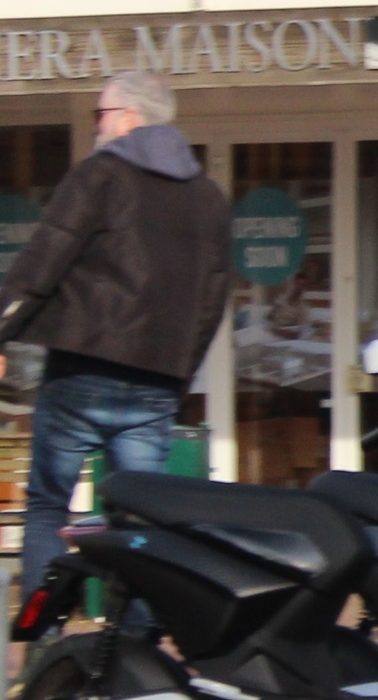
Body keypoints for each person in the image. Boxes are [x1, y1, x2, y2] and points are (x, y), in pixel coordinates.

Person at [0, 71, 229, 599]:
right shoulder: (208, 198)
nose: (98, 126)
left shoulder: (98, 177)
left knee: (47, 507)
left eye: (101, 114)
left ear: (129, 118)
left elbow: (43, 260)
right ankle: (136, 653)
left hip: (82, 368)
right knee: (141, 521)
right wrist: (180, 372)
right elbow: (212, 302)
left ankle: (44, 651)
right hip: (154, 382)